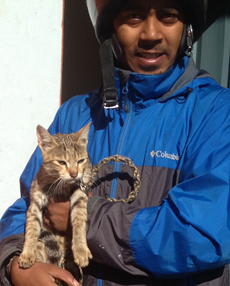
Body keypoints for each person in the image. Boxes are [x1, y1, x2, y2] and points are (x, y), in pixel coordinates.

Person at [0, 0, 230, 285]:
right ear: (110, 28)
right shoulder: (76, 113)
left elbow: (203, 233)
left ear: (187, 28)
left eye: (168, 16)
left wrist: (88, 221)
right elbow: (27, 203)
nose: (151, 34)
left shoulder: (216, 112)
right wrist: (13, 263)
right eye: (133, 16)